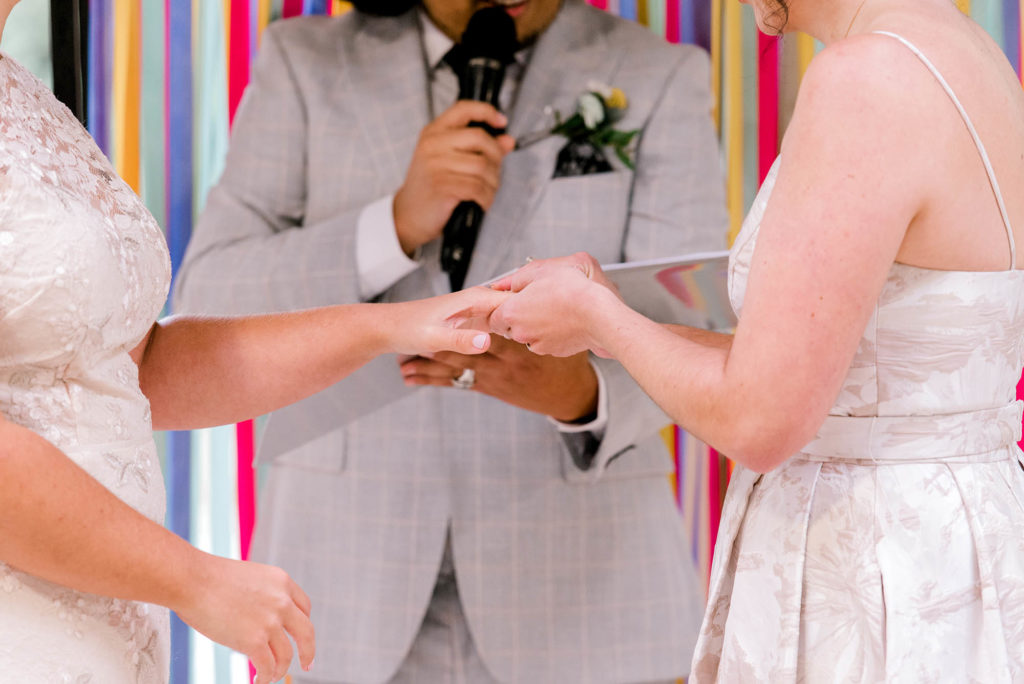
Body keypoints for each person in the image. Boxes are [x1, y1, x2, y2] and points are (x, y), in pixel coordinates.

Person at [173, 0, 728, 681]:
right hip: (342, 589)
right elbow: (206, 300)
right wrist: (393, 225)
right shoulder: (305, 62)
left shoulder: (657, 73)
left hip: (585, 591)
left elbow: (697, 334)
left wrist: (581, 394)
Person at [487, 0, 1024, 680]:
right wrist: (614, 305)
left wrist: (599, 321)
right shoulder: (967, 50)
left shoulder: (865, 77)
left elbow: (760, 420)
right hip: (961, 538)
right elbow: (834, 366)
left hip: (871, 557)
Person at [0, 0, 505, 679]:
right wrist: (194, 578)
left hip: (105, 622)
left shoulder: (25, 94)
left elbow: (140, 369)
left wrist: (389, 326)